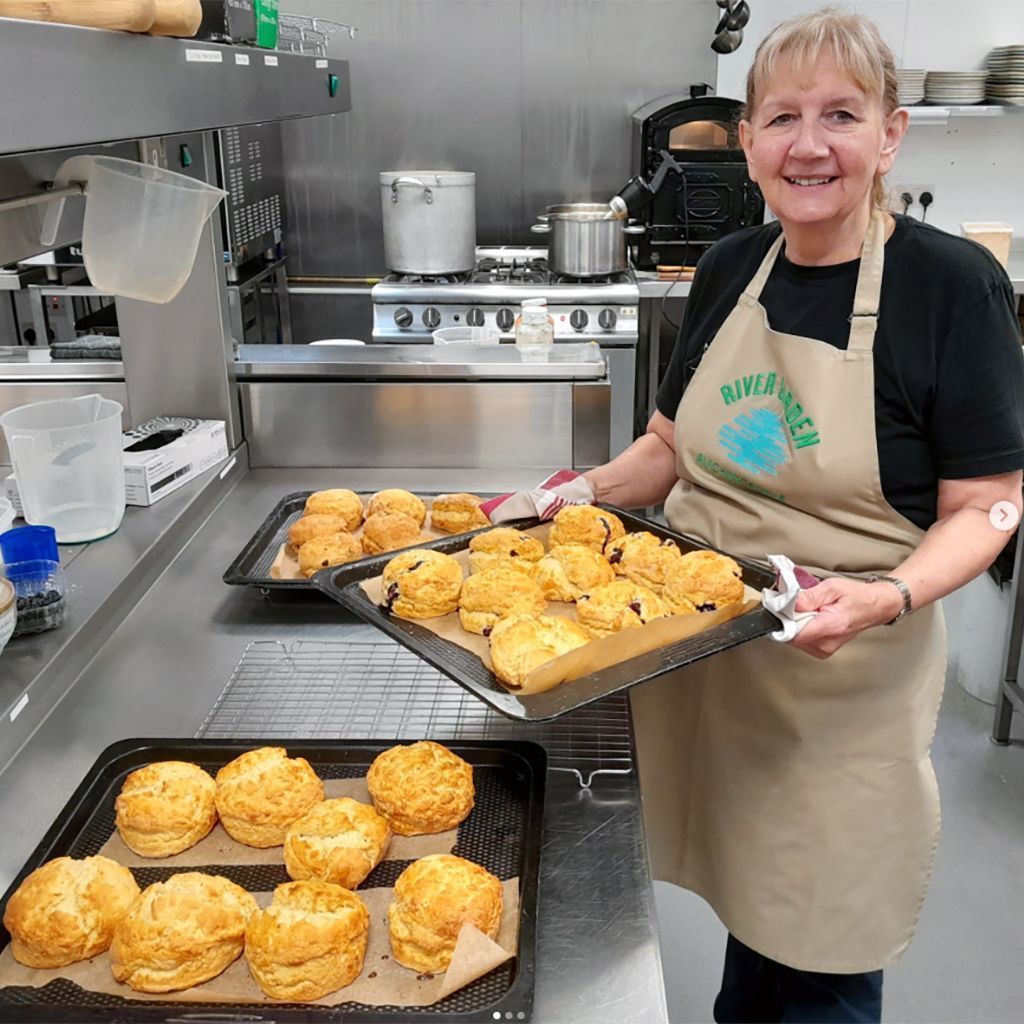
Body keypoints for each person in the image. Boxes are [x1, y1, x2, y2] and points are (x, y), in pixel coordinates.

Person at [579, 8, 1024, 1023]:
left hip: (841, 678)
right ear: (746, 142)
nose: (809, 145)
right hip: (698, 658)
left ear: (889, 133)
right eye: (781, 118)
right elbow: (664, 448)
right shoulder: (734, 266)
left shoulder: (950, 287)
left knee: (816, 941)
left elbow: (991, 505)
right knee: (753, 914)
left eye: (840, 114)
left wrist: (888, 595)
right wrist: (579, 492)